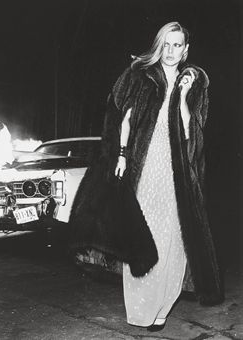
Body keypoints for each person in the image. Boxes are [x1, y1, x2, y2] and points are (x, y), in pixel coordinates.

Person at [69, 21, 223, 331]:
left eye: (177, 45)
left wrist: (182, 95)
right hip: (146, 165)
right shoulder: (141, 75)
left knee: (175, 243)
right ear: (158, 46)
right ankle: (140, 312)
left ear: (186, 50)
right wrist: (123, 156)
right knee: (143, 236)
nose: (170, 51)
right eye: (165, 44)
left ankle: (163, 309)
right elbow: (124, 119)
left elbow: (192, 131)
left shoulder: (194, 82)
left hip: (178, 173)